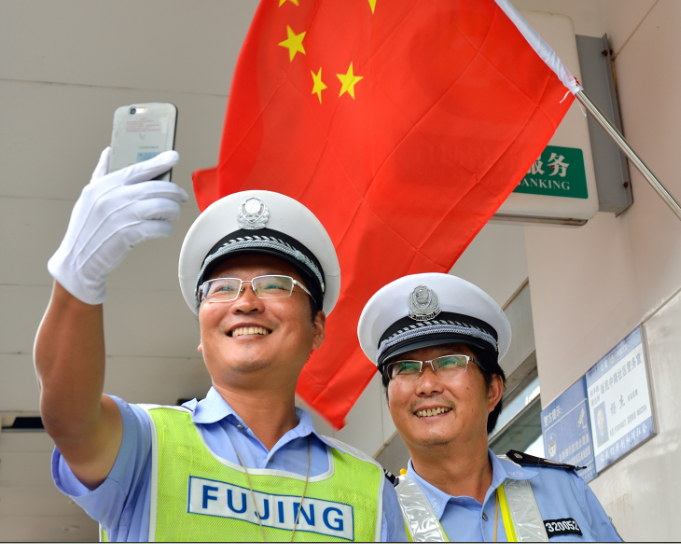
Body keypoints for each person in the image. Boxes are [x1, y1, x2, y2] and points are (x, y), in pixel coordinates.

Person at [35, 148, 406, 541]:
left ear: (317, 327)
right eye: (222, 288)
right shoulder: (146, 442)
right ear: (201, 332)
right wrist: (78, 279)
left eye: (274, 285)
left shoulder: (371, 489)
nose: (245, 303)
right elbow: (70, 420)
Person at [357, 272, 622, 542]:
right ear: (389, 401)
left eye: (449, 362)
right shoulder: (374, 524)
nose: (426, 385)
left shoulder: (564, 491)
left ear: (493, 390)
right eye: (405, 368)